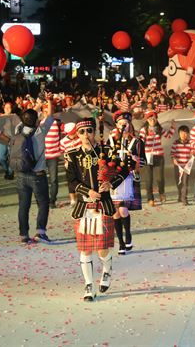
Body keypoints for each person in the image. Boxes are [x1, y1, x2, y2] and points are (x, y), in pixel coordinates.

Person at [67, 118, 129, 301]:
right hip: (83, 206)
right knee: (85, 249)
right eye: (82, 132)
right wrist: (88, 191)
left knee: (102, 249)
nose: (86, 135)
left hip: (103, 205)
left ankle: (107, 271)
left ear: (94, 132)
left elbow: (124, 170)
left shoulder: (107, 151)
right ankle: (88, 286)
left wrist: (111, 183)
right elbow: (71, 180)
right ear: (77, 134)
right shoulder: (72, 155)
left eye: (89, 130)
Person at [11, 107, 55, 244]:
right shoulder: (40, 132)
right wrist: (46, 102)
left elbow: (25, 118)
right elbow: (50, 116)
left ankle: (24, 235)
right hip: (37, 174)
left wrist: (33, 109)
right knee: (43, 203)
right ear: (36, 121)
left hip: (20, 174)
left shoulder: (17, 130)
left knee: (23, 205)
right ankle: (40, 232)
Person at [108, 111, 143, 255]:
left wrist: (136, 160)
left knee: (123, 210)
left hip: (128, 178)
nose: (123, 125)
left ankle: (128, 234)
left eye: (126, 123)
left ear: (130, 124)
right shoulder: (111, 140)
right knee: (115, 214)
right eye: (121, 123)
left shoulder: (137, 142)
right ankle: (121, 243)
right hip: (114, 179)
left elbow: (143, 161)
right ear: (117, 125)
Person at [139, 110, 174, 206]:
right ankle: (150, 198)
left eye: (154, 118)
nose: (152, 120)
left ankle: (161, 193)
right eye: (150, 118)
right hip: (148, 157)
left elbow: (169, 135)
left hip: (159, 156)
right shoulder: (144, 130)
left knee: (160, 178)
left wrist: (172, 127)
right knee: (149, 179)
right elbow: (140, 142)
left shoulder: (159, 128)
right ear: (147, 119)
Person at [41, 103, 62, 209]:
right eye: (44, 112)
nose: (46, 113)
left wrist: (49, 101)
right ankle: (43, 200)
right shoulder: (39, 124)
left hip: (53, 156)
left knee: (53, 180)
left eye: (48, 111)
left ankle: (52, 201)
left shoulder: (55, 123)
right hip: (42, 157)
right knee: (41, 179)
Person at [59, 122, 82, 208]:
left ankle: (81, 198)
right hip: (70, 165)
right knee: (71, 182)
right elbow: (62, 152)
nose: (77, 133)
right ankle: (73, 200)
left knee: (82, 180)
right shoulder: (63, 142)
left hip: (81, 163)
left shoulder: (80, 138)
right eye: (75, 131)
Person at [171, 125, 193, 206]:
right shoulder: (175, 143)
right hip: (178, 166)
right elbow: (172, 153)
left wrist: (192, 154)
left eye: (185, 133)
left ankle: (184, 198)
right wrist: (174, 160)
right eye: (182, 133)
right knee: (178, 182)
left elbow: (192, 152)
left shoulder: (190, 143)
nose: (184, 134)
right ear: (179, 133)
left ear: (188, 134)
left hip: (186, 166)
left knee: (185, 182)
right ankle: (180, 195)